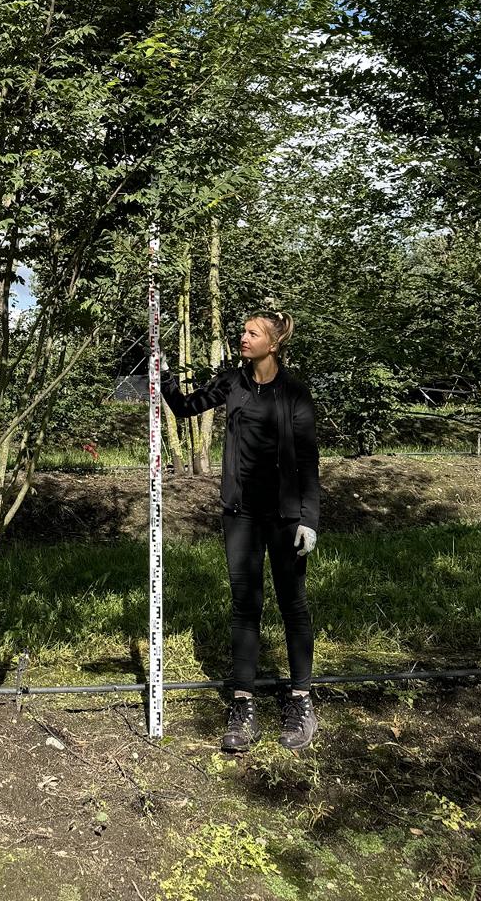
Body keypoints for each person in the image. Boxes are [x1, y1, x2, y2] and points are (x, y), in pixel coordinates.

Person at [161, 309, 320, 752]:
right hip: (242, 515)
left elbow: (308, 462)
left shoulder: (294, 393)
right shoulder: (233, 383)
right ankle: (243, 704)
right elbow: (185, 405)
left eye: (252, 333)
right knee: (245, 606)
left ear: (274, 343)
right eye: (243, 331)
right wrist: (165, 374)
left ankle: (302, 700)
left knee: (293, 605)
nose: (243, 338)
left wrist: (309, 520)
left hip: (286, 517)